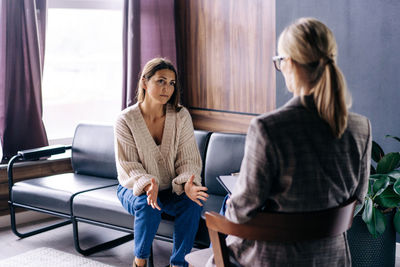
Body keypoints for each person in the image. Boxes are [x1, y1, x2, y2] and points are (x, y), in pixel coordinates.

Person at [207, 17, 371, 266]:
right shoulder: (361, 127)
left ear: (290, 63)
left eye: (279, 61)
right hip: (332, 258)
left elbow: (241, 210)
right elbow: (357, 199)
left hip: (273, 260)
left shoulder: (268, 128)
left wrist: (234, 200)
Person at [115, 58, 209, 267]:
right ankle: (140, 261)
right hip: (134, 187)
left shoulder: (181, 115)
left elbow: (189, 159)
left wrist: (188, 184)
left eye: (172, 83)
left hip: (171, 188)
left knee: (194, 201)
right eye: (160, 81)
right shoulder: (125, 120)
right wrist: (149, 183)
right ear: (144, 82)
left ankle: (179, 263)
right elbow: (128, 166)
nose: (167, 88)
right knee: (149, 205)